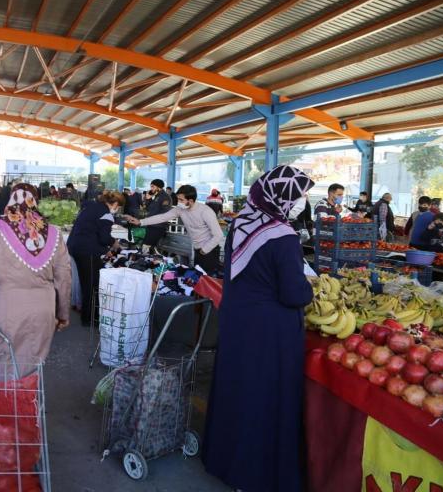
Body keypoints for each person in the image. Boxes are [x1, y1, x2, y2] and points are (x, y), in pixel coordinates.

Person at [202, 165, 315, 492]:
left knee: (236, 387)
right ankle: (254, 474)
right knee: (264, 396)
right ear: (281, 198)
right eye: (298, 196)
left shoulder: (241, 223)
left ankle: (225, 461)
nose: (301, 202)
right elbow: (293, 293)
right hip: (270, 331)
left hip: (238, 319)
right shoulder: (283, 235)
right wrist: (310, 288)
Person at [0, 183, 71, 377]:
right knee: (30, 372)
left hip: (4, 311)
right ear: (36, 201)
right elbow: (64, 276)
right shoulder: (54, 232)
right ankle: (25, 407)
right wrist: (62, 313)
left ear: (10, 198)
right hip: (43, 311)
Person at [128, 185, 225, 275]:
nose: (178, 202)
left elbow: (218, 235)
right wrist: (140, 222)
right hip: (197, 249)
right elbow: (163, 217)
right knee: (197, 278)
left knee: (207, 280)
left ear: (190, 201)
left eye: (181, 200)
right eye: (178, 199)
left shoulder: (205, 211)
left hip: (210, 250)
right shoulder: (180, 209)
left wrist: (205, 250)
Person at [66, 190, 125, 326]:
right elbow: (104, 238)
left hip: (76, 247)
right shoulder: (106, 214)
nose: (117, 209)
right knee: (92, 286)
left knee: (86, 283)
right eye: (118, 206)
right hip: (88, 251)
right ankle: (90, 319)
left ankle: (88, 316)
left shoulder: (91, 206)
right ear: (115, 203)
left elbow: (93, 229)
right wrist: (113, 243)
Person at [141, 179, 170, 250]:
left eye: (152, 186)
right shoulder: (156, 197)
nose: (151, 189)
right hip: (151, 224)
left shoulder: (165, 197)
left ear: (158, 187)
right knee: (146, 246)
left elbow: (164, 212)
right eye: (151, 186)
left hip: (158, 226)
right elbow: (148, 209)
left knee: (146, 246)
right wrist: (148, 199)